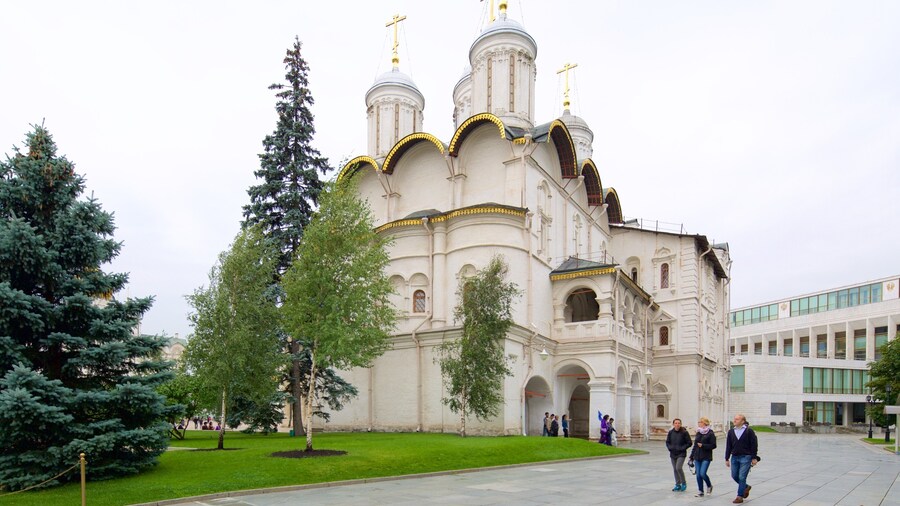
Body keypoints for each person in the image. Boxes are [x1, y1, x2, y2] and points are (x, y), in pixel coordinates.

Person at [725, 414, 759, 504]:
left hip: (746, 457)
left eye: (737, 419)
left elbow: (754, 444)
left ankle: (739, 496)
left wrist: (754, 457)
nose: (734, 420)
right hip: (735, 457)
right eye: (734, 419)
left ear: (742, 421)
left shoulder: (749, 431)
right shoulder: (731, 432)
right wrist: (726, 458)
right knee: (734, 476)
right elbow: (728, 445)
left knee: (742, 477)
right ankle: (746, 487)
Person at [690, 417, 717, 497]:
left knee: (702, 473)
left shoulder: (710, 433)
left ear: (705, 423)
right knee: (698, 475)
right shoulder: (698, 432)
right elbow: (695, 445)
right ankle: (700, 491)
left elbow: (714, 445)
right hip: (697, 456)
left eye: (700, 422)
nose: (699, 423)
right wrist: (691, 456)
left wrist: (703, 445)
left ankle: (709, 485)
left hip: (706, 456)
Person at [666, 418, 692, 492]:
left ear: (681, 424)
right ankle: (677, 484)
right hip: (673, 453)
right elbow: (667, 442)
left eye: (678, 423)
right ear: (673, 424)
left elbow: (689, 443)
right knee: (675, 469)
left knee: (678, 467)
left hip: (681, 453)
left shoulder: (684, 432)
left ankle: (683, 483)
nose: (677, 424)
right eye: (676, 423)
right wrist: (670, 448)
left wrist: (682, 448)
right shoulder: (671, 432)